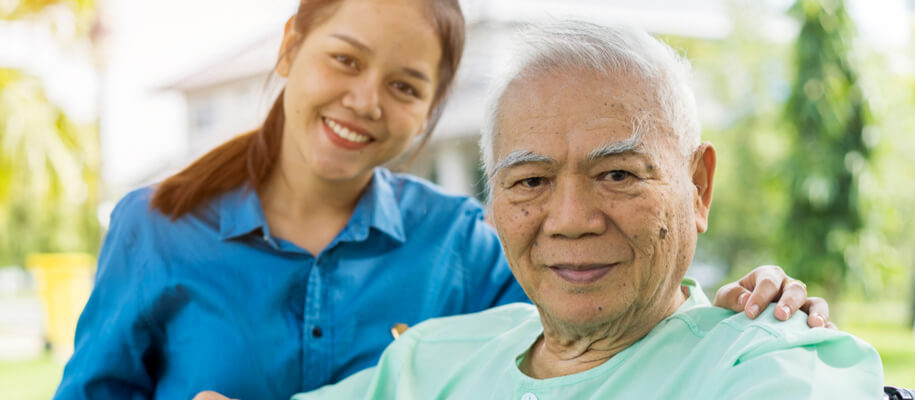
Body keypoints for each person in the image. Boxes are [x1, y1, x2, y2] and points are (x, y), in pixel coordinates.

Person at [55, 1, 831, 399]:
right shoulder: (155, 226)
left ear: (430, 112)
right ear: (290, 46)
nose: (364, 100)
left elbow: (600, 323)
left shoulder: (466, 239)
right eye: (344, 60)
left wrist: (756, 301)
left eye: (404, 86)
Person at [286, 21, 884, 400]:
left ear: (698, 188)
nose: (570, 218)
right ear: (493, 201)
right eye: (530, 180)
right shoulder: (427, 361)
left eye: (617, 174)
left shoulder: (771, 363)